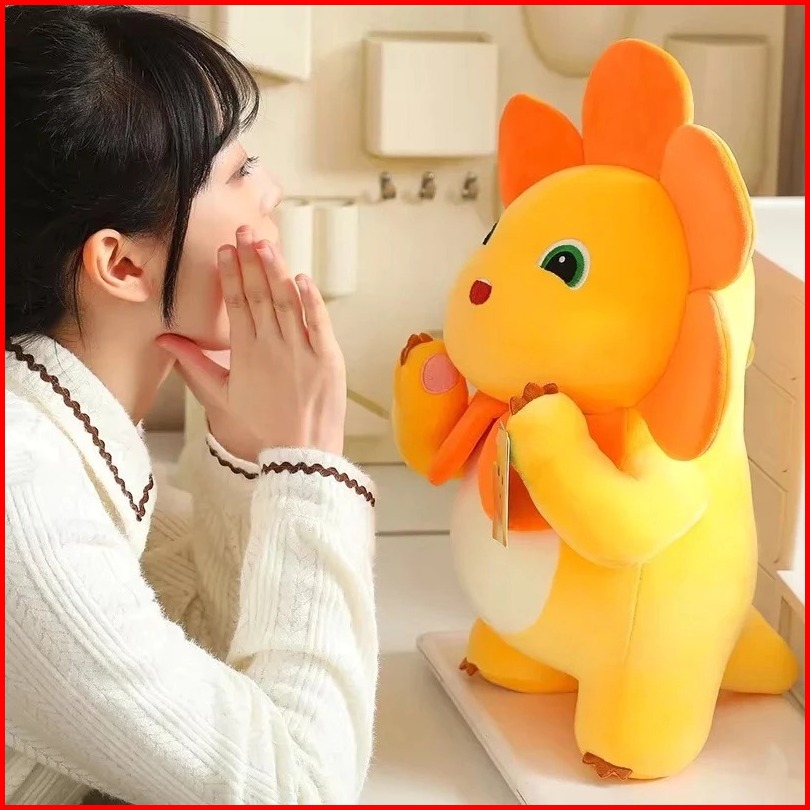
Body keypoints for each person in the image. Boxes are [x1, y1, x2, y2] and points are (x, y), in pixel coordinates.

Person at [5, 5, 378, 805]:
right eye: (237, 172)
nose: (271, 190)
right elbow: (303, 788)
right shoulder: (22, 498)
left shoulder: (62, 442)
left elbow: (204, 670)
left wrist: (248, 454)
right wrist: (308, 464)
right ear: (121, 265)